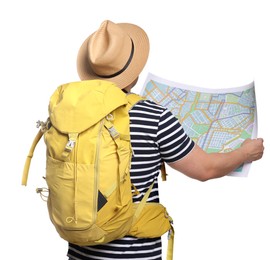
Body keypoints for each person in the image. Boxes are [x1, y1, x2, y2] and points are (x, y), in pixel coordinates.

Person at [67, 20, 264, 260]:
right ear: (133, 74)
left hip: (79, 251)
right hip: (135, 256)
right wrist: (245, 153)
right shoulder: (153, 116)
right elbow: (205, 169)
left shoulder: (67, 114)